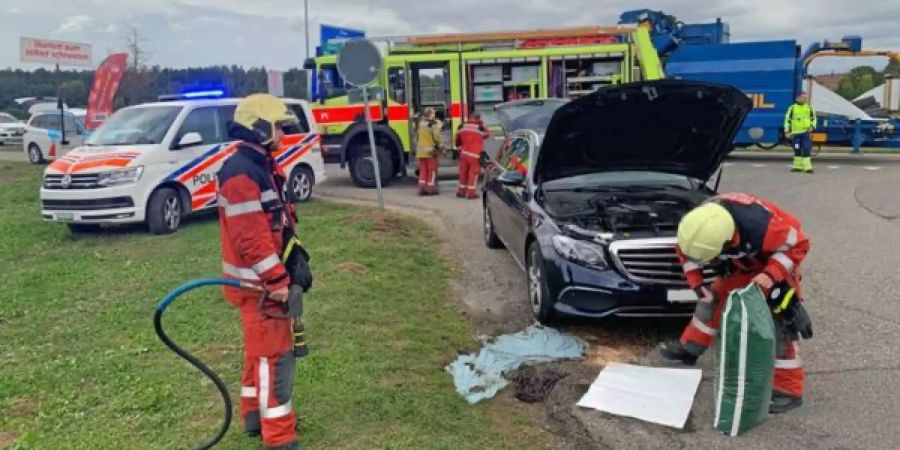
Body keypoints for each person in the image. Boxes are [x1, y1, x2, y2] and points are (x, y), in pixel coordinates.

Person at [660, 192, 811, 414]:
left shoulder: (764, 226)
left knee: (779, 325)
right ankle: (689, 349)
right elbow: (686, 253)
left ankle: (788, 391)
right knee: (711, 301)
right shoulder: (697, 227)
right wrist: (697, 283)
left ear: (728, 241)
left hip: (773, 264)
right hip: (741, 264)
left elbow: (799, 244)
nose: (709, 263)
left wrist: (770, 275)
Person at [217, 93, 306, 450]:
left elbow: (274, 222)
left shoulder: (259, 164)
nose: (283, 134)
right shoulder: (242, 173)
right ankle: (280, 437)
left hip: (257, 285)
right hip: (260, 288)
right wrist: (277, 281)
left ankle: (253, 417)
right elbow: (250, 238)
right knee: (274, 359)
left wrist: (295, 256)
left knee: (259, 353)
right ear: (260, 127)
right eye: (279, 127)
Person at [455, 113, 490, 199]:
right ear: (478, 119)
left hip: (464, 154)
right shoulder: (479, 128)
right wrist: (482, 125)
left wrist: (458, 146)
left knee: (463, 173)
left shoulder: (463, 126)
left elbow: (457, 138)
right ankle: (471, 193)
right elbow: (487, 134)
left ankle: (461, 191)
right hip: (475, 154)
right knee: (473, 174)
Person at [784, 92, 816, 173]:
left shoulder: (809, 108)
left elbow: (814, 118)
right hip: (795, 134)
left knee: (806, 148)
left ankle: (808, 167)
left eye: (806, 98)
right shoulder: (792, 108)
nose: (805, 99)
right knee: (797, 149)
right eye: (803, 98)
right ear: (798, 98)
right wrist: (787, 131)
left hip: (805, 133)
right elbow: (787, 120)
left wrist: (812, 127)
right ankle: (797, 167)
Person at [415, 107, 442, 196]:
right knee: (432, 171)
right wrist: (440, 146)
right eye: (433, 113)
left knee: (423, 171)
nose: (434, 115)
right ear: (429, 115)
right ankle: (430, 189)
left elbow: (416, 139)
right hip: (430, 153)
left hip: (420, 152)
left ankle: (422, 188)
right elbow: (437, 137)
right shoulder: (432, 125)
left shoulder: (421, 124)